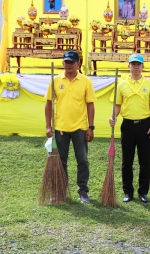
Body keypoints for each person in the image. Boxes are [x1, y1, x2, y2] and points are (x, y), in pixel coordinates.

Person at [44, 50, 96, 203]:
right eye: (66, 62)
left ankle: (83, 192)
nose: (68, 65)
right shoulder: (55, 80)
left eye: (71, 62)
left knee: (83, 161)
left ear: (78, 64)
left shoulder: (86, 81)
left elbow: (90, 104)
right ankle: (60, 192)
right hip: (60, 128)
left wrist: (90, 127)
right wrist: (48, 126)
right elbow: (48, 103)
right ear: (63, 63)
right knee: (60, 162)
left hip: (80, 128)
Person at [109, 53, 150, 203]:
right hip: (128, 125)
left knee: (144, 160)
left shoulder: (149, 84)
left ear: (143, 67)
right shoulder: (122, 84)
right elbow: (117, 105)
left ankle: (143, 192)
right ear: (128, 66)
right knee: (127, 160)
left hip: (144, 125)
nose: (136, 67)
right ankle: (128, 192)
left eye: (138, 64)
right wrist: (114, 117)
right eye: (133, 64)